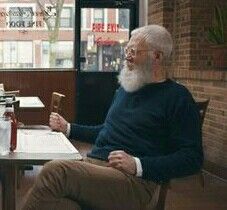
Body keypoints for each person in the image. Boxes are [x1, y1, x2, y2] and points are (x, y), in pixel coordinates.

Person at [22, 25, 203, 210]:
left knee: (55, 171)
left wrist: (138, 164)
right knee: (58, 203)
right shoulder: (126, 89)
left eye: (133, 51)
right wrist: (69, 128)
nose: (127, 56)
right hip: (97, 167)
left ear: (157, 56)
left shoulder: (177, 97)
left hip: (133, 182)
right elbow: (106, 131)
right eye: (127, 49)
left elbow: (192, 158)